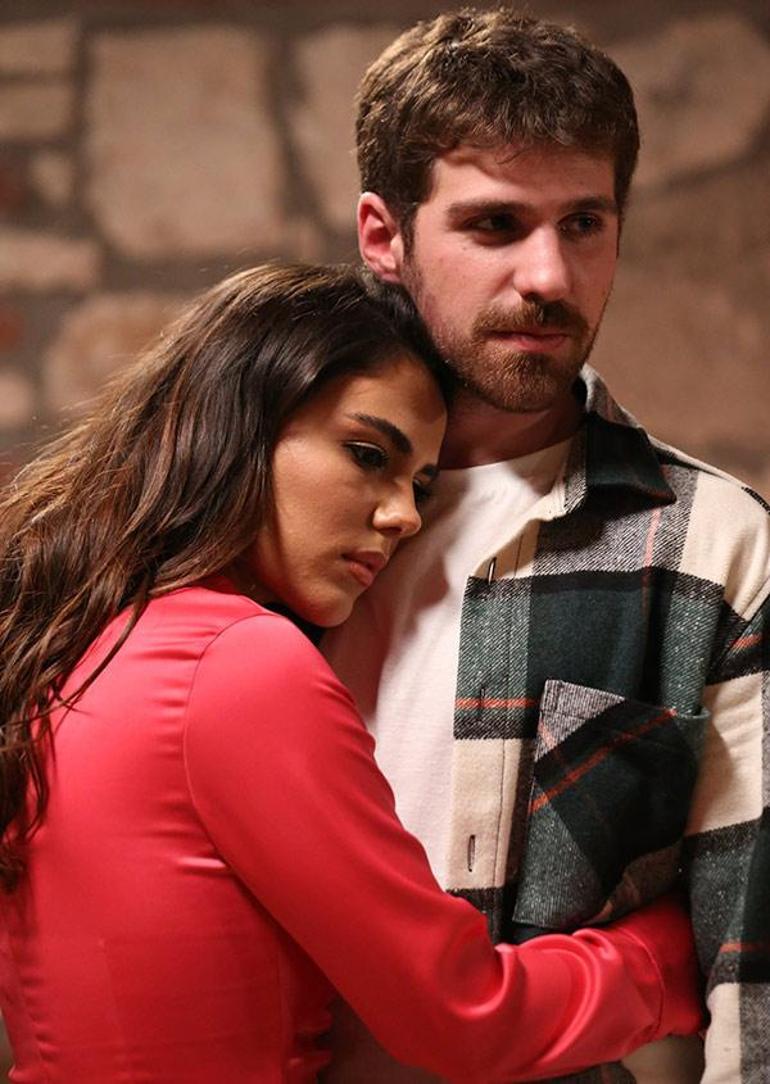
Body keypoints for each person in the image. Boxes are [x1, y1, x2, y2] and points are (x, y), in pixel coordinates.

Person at [0, 262, 701, 1083]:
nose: (404, 516)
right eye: (368, 454)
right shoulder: (237, 665)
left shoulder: (75, 643)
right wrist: (672, 949)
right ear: (239, 423)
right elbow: (462, 1016)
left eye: (421, 487)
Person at [321, 9, 770, 1083]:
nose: (550, 278)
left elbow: (753, 971)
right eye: (494, 225)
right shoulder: (253, 519)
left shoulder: (714, 550)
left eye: (583, 223)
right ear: (383, 235)